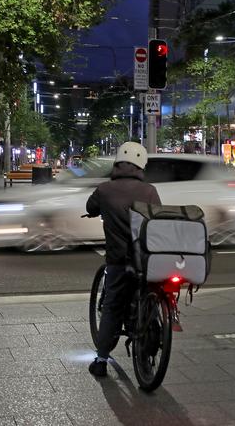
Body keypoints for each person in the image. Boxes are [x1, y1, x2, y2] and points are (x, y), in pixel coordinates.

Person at [85, 142, 161, 378]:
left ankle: (101, 360)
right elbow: (157, 218)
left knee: (112, 306)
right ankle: (148, 358)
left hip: (118, 260)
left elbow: (91, 206)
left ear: (117, 163)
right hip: (147, 259)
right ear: (141, 166)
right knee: (149, 297)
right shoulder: (149, 191)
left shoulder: (105, 189)